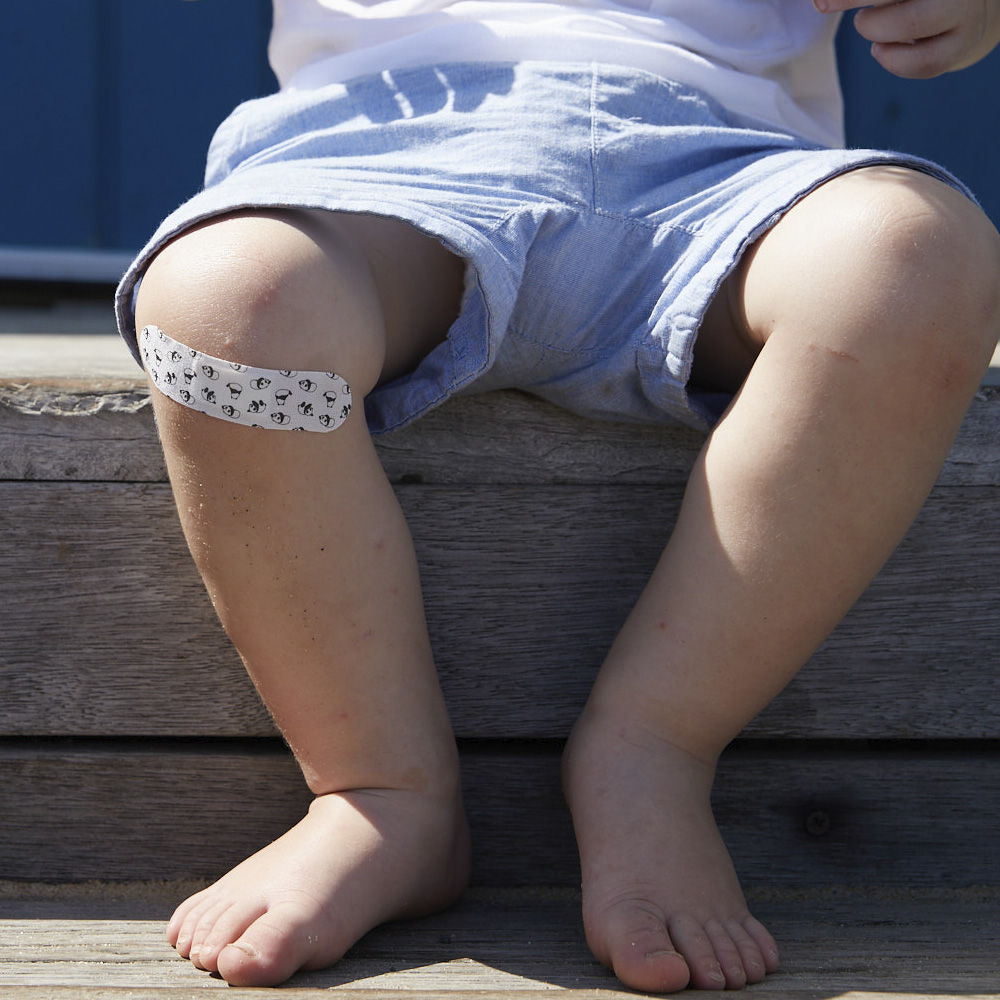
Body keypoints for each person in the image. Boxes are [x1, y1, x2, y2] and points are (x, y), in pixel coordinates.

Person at [115, 0, 1000, 991]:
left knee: (916, 255)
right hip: (370, 162)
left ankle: (653, 746)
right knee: (226, 312)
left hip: (724, 166)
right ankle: (378, 788)